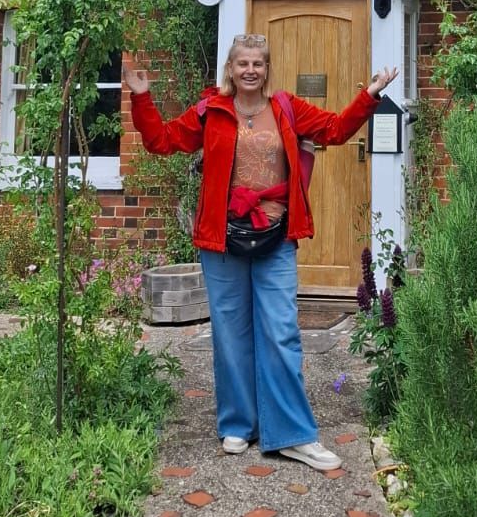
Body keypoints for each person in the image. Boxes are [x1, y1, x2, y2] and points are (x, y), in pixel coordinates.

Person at [125, 34, 397, 471]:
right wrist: (141, 98)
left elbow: (335, 129)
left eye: (258, 63)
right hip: (222, 238)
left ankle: (293, 434)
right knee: (230, 332)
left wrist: (368, 95)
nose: (250, 70)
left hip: (275, 236)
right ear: (230, 69)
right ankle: (237, 423)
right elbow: (162, 141)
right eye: (242, 63)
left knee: (282, 332)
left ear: (267, 70)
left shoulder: (287, 108)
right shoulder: (211, 111)